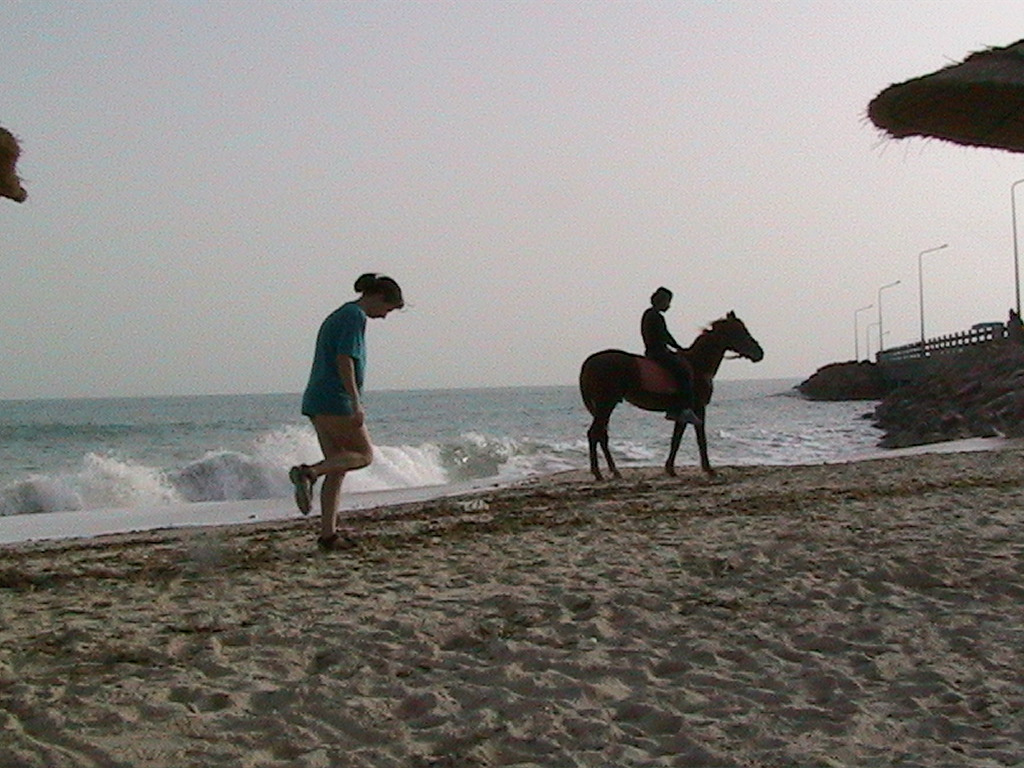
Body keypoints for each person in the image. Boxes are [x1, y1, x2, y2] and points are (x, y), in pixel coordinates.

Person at [289, 273, 405, 551]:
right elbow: (345, 359)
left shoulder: (340, 314)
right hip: (335, 398)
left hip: (316, 399)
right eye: (387, 309)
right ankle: (308, 473)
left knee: (337, 466)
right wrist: (355, 402)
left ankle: (328, 536)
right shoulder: (355, 317)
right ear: (377, 297)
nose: (385, 316)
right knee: (364, 456)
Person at [641, 287, 701, 425]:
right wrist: (679, 348)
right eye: (668, 302)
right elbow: (665, 336)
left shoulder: (649, 314)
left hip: (654, 350)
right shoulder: (656, 316)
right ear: (661, 301)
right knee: (684, 372)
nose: (669, 305)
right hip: (658, 352)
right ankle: (683, 409)